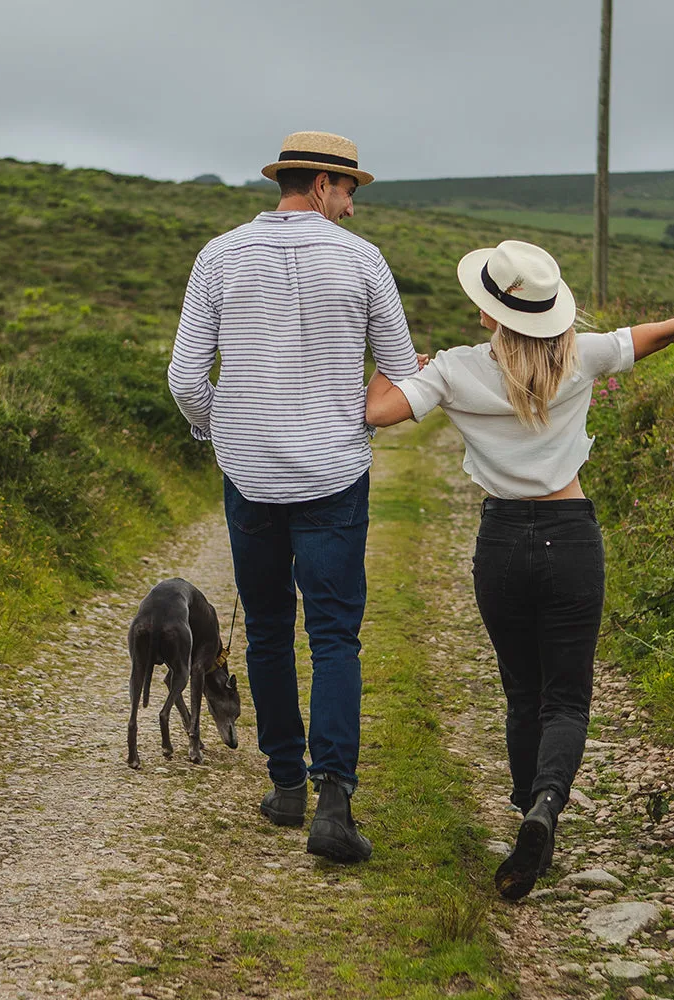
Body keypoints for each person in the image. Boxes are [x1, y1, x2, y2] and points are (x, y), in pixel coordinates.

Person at [365, 239, 674, 898]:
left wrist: (399, 366)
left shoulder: (455, 369)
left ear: (489, 312)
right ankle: (546, 806)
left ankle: (524, 813)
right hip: (572, 538)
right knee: (567, 696)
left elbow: (378, 414)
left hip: (503, 542)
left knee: (522, 691)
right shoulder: (584, 354)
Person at [168, 131, 421, 863]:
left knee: (272, 628)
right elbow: (400, 372)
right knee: (335, 634)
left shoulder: (217, 256)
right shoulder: (364, 261)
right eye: (347, 193)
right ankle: (334, 805)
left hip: (250, 477)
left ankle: (285, 788)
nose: (350, 208)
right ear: (318, 185)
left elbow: (186, 380)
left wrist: (227, 431)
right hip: (334, 473)